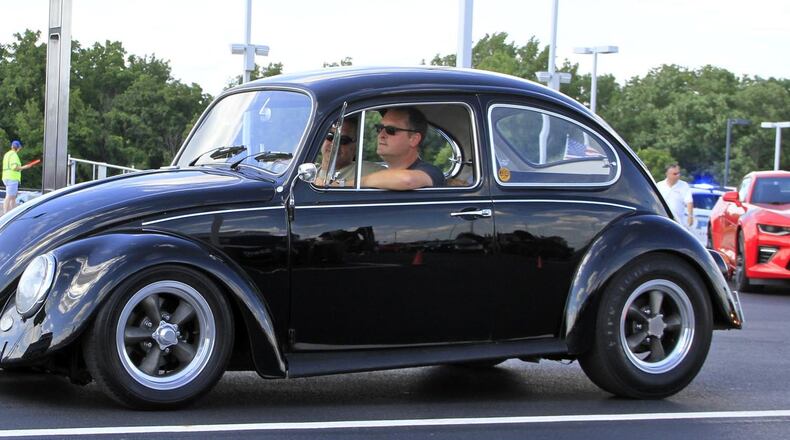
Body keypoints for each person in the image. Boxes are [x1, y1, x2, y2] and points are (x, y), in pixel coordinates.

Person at [359, 107, 445, 190]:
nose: (381, 135)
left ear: (414, 139)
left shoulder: (431, 172)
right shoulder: (379, 175)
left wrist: (352, 184)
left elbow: (407, 180)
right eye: (379, 128)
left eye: (390, 130)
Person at [315, 117, 383, 187]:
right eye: (330, 136)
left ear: (356, 146)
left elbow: (394, 179)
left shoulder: (367, 170)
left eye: (343, 140)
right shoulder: (309, 171)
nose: (334, 144)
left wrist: (339, 185)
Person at [656, 163, 693, 229]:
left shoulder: (684, 186)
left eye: (678, 173)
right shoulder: (659, 186)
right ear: (667, 174)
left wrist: (690, 216)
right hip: (662, 219)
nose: (678, 175)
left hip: (678, 222)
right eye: (675, 174)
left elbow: (689, 202)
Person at [2, 140, 34, 214]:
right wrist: (25, 167)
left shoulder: (7, 154)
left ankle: (13, 213)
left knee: (13, 197)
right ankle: (6, 214)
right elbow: (14, 167)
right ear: (18, 148)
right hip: (12, 178)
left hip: (6, 177)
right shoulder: (14, 155)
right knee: (9, 196)